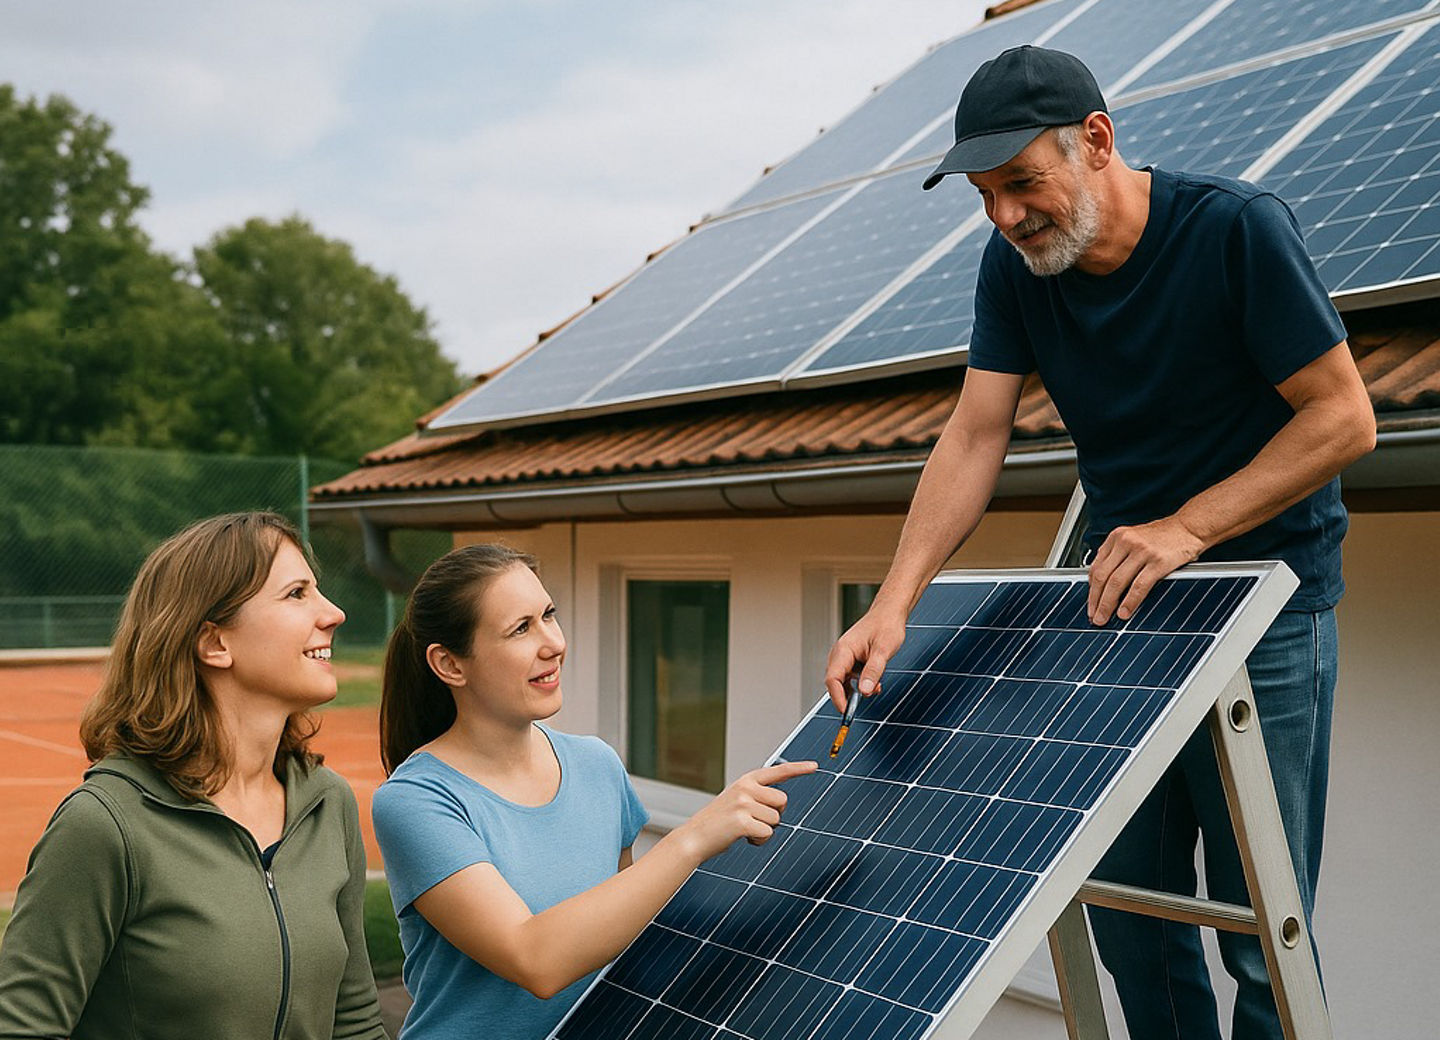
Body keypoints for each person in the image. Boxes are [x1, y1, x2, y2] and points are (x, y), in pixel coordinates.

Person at [826, 45, 1375, 1040]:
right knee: (1131, 920)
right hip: (1124, 611)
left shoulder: (1235, 230)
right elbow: (975, 434)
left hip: (1268, 609)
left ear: (1096, 140)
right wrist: (893, 603)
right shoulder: (1017, 268)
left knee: (1262, 936)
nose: (1005, 215)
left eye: (1021, 183)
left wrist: (1187, 526)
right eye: (985, 196)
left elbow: (1343, 419)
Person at [370, 544, 813, 1040]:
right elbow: (534, 959)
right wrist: (692, 839)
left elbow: (621, 931)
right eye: (520, 629)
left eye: (548, 615)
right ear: (450, 664)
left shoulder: (596, 764)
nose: (553, 643)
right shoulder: (416, 801)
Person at [0, 512, 387, 1040]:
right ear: (214, 643)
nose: (334, 613)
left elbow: (355, 1020)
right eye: (297, 593)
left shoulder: (328, 804)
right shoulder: (105, 825)